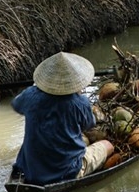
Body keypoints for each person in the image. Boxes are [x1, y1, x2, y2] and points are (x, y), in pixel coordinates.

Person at [11, 52, 115, 185]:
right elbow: (90, 124)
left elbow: (16, 105)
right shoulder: (80, 103)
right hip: (67, 172)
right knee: (108, 145)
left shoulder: (30, 95)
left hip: (30, 170)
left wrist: (36, 93)